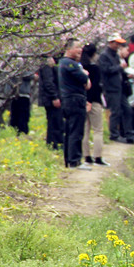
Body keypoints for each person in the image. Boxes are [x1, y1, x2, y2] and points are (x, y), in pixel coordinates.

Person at [58, 38, 91, 170]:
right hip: (74, 100)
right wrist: (85, 73)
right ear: (69, 49)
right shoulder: (70, 64)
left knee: (70, 130)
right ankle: (75, 160)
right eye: (77, 47)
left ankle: (69, 159)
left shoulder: (62, 63)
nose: (80, 50)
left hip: (67, 100)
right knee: (76, 131)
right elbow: (85, 80)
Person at [98, 33, 134, 143]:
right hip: (111, 88)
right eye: (116, 43)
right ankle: (114, 134)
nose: (118, 45)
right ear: (110, 42)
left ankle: (129, 134)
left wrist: (126, 74)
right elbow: (106, 70)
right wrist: (119, 67)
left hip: (120, 88)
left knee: (127, 110)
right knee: (115, 111)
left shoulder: (116, 55)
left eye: (119, 43)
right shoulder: (104, 56)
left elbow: (118, 70)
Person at [80, 43, 109, 166]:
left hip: (82, 101)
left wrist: (86, 101)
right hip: (95, 101)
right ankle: (97, 157)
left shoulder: (80, 67)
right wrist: (91, 102)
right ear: (93, 54)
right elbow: (95, 87)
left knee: (85, 129)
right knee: (97, 130)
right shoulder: (95, 69)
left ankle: (86, 156)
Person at [38, 56, 63, 149]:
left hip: (52, 97)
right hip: (51, 99)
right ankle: (54, 145)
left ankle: (54, 144)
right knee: (55, 122)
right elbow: (48, 82)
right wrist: (54, 97)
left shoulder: (52, 61)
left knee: (56, 122)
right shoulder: (46, 62)